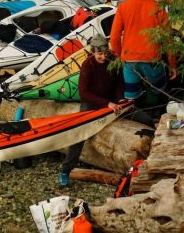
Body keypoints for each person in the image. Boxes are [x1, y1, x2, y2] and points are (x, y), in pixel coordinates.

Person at [58, 33, 154, 187]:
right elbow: (84, 93)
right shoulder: (87, 66)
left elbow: (119, 83)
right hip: (92, 102)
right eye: (99, 54)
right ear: (93, 52)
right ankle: (65, 170)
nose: (103, 57)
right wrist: (106, 103)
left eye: (105, 53)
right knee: (80, 132)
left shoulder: (113, 62)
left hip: (113, 101)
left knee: (145, 119)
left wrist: (121, 99)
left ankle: (156, 151)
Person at [110, 0, 177, 105]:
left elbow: (114, 37)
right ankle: (160, 112)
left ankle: (138, 118)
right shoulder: (158, 7)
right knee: (160, 90)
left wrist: (119, 55)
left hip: (130, 60)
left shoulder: (123, 7)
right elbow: (168, 38)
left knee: (132, 96)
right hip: (152, 58)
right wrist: (172, 64)